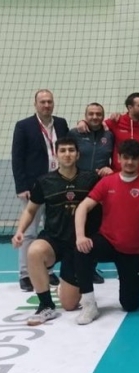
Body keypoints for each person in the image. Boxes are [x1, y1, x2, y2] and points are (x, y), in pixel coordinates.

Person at [11, 137, 99, 325]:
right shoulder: (45, 181)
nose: (67, 154)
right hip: (54, 239)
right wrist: (20, 231)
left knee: (69, 304)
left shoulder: (91, 178)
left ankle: (66, 288)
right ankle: (46, 305)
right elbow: (30, 210)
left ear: (78, 155)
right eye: (63, 151)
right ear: (56, 155)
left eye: (71, 150)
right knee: (34, 251)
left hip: (78, 245)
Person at [73, 139, 139, 325]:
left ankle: (130, 283)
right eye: (126, 157)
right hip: (108, 241)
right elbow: (82, 207)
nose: (130, 162)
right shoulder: (107, 182)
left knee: (130, 305)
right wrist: (80, 236)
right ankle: (89, 304)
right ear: (119, 158)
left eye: (134, 158)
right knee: (82, 250)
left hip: (133, 250)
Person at [11, 89, 68, 291]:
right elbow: (17, 158)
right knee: (29, 232)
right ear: (35, 104)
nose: (46, 105)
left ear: (53, 103)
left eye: (49, 101)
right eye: (42, 102)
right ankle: (25, 274)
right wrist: (21, 186)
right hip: (33, 187)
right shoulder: (23, 126)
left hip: (56, 186)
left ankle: (48, 270)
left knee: (52, 230)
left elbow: (68, 148)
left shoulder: (61, 123)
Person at [68, 102, 115, 285]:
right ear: (85, 116)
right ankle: (72, 268)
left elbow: (116, 158)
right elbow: (66, 155)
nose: (95, 117)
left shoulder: (109, 135)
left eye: (98, 114)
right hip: (77, 185)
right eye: (91, 114)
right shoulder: (75, 133)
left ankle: (90, 267)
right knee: (75, 227)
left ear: (103, 116)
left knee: (95, 227)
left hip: (100, 187)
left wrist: (110, 170)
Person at [105, 92, 139, 177]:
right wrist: (84, 122)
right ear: (130, 107)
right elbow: (96, 124)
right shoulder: (116, 122)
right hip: (119, 176)